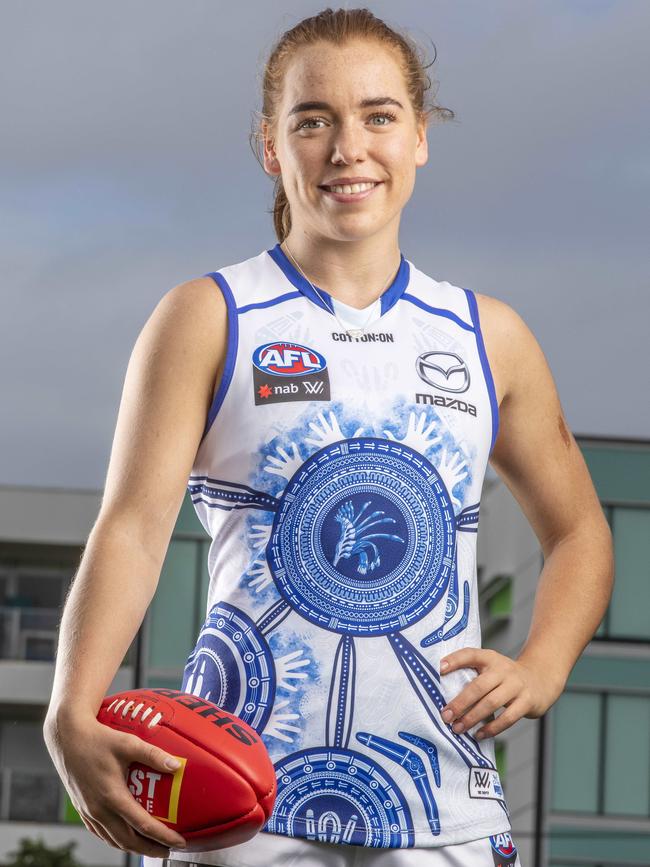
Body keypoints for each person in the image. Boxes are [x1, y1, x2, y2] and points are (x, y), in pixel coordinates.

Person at [43, 7, 614, 867]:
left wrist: (543, 665)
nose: (348, 148)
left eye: (379, 116)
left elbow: (580, 533)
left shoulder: (486, 335)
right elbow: (132, 528)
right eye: (313, 121)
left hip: (442, 794)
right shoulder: (206, 316)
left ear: (420, 138)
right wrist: (68, 711)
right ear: (272, 147)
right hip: (239, 796)